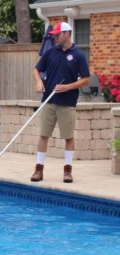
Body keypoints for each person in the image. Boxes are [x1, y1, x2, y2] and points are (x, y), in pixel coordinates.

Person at [31, 22, 90, 183]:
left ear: (66, 34)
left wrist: (68, 87)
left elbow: (85, 79)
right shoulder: (50, 52)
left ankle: (67, 171)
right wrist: (39, 82)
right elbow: (36, 69)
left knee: (68, 137)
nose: (55, 37)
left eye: (57, 35)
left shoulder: (78, 55)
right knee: (43, 136)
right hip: (48, 101)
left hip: (68, 102)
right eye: (54, 35)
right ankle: (38, 169)